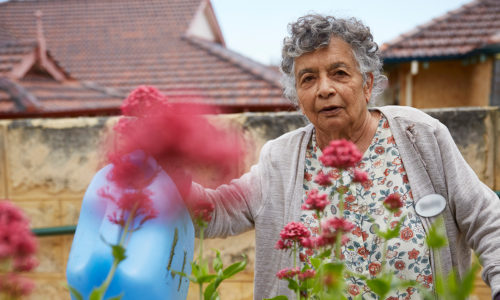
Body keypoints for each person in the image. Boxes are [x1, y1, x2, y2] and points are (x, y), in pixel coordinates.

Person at [188, 14, 500, 299]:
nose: (324, 89)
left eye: (339, 73)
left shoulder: (418, 135)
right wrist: (165, 167)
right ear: (298, 97)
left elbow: (486, 219)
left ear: (367, 85)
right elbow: (213, 213)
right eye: (308, 79)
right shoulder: (280, 160)